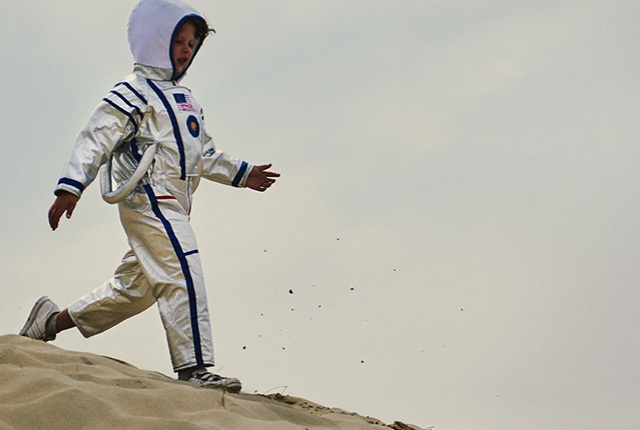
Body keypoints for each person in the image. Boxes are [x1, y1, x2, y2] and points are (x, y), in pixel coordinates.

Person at [18, 0, 279, 393]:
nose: (186, 49)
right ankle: (194, 368)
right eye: (178, 39)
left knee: (135, 291)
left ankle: (50, 321)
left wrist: (243, 174)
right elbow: (96, 138)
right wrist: (71, 186)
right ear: (154, 40)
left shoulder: (185, 99)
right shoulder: (132, 92)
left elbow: (203, 154)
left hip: (177, 203)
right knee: (182, 271)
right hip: (149, 199)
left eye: (192, 43)